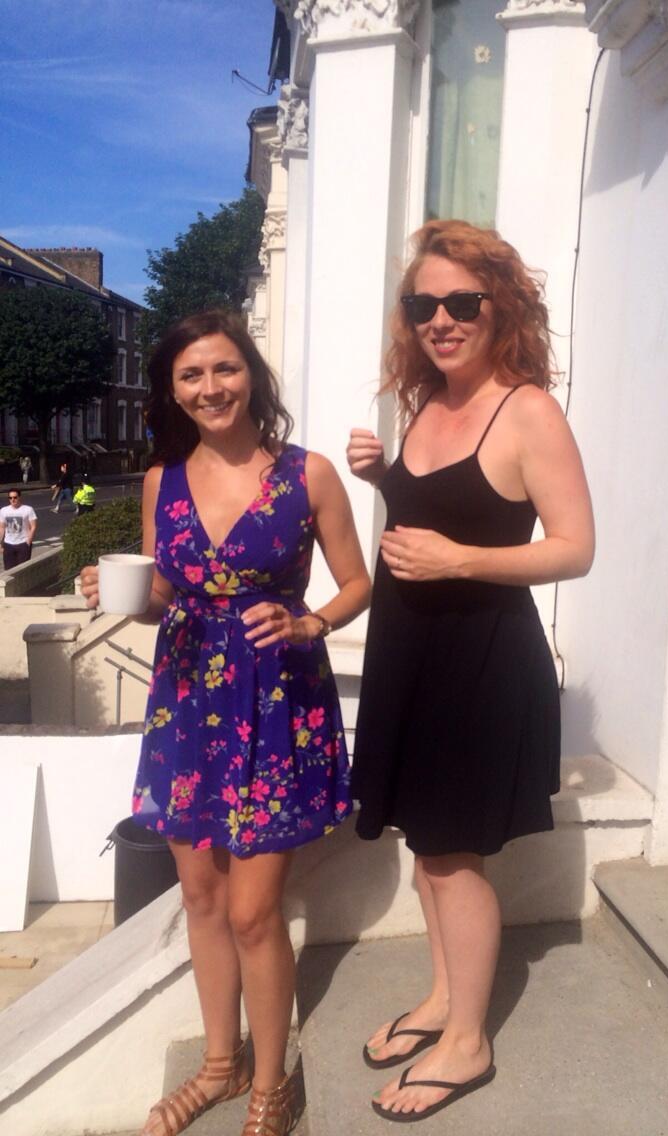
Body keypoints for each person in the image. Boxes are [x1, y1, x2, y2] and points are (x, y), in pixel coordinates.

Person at [80, 310, 371, 1136]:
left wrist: (309, 622)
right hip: (186, 702)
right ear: (173, 392)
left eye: (225, 369)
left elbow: (358, 582)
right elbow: (164, 596)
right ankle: (221, 1063)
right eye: (192, 376)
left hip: (276, 702)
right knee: (202, 898)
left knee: (252, 912)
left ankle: (270, 1079)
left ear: (252, 375)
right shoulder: (161, 481)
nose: (211, 388)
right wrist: (123, 594)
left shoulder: (308, 475)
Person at [347, 220, 595, 1123]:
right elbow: (440, 510)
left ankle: (468, 1042)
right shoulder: (427, 404)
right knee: (427, 847)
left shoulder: (526, 411)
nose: (440, 320)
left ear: (502, 307)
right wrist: (383, 477)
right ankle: (446, 997)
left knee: (453, 860)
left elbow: (575, 548)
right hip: (411, 657)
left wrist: (460, 562)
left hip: (482, 665)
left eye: (461, 302)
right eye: (423, 305)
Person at [0, 488, 37, 570]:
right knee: (9, 570)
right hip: (8, 544)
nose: (12, 500)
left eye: (15, 497)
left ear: (19, 497)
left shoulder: (28, 509)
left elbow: (33, 526)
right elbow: (2, 528)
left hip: (23, 543)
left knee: (22, 570)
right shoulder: (3, 510)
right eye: (10, 498)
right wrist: (0, 544)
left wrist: (28, 541)